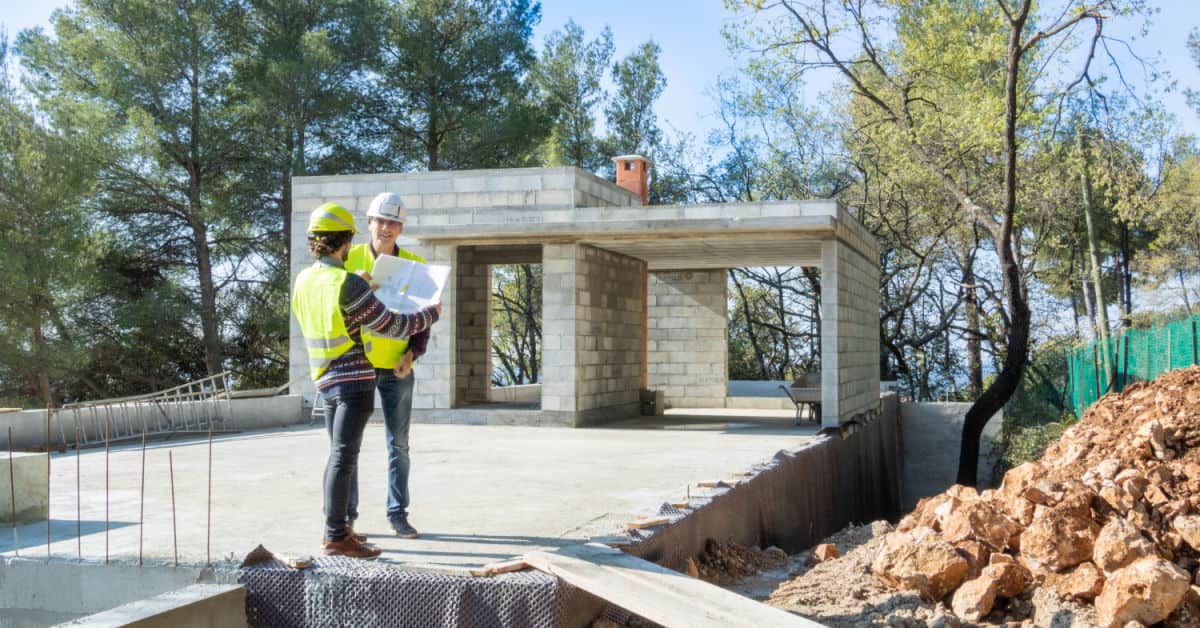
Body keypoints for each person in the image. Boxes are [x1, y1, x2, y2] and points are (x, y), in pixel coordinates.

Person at [292, 202, 440, 558]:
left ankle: (340, 530)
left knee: (340, 455)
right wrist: (430, 314)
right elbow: (394, 324)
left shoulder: (305, 278)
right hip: (354, 380)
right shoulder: (346, 282)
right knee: (345, 457)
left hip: (325, 377)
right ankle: (336, 534)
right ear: (345, 243)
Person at [342, 192, 428, 538]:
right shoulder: (350, 261)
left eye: (394, 222)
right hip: (358, 365)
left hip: (398, 366)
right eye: (381, 221)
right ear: (369, 223)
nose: (387, 228)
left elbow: (424, 316)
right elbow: (338, 309)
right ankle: (347, 518)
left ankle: (398, 514)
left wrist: (413, 354)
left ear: (401, 227)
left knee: (399, 444)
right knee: (350, 445)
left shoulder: (412, 264)